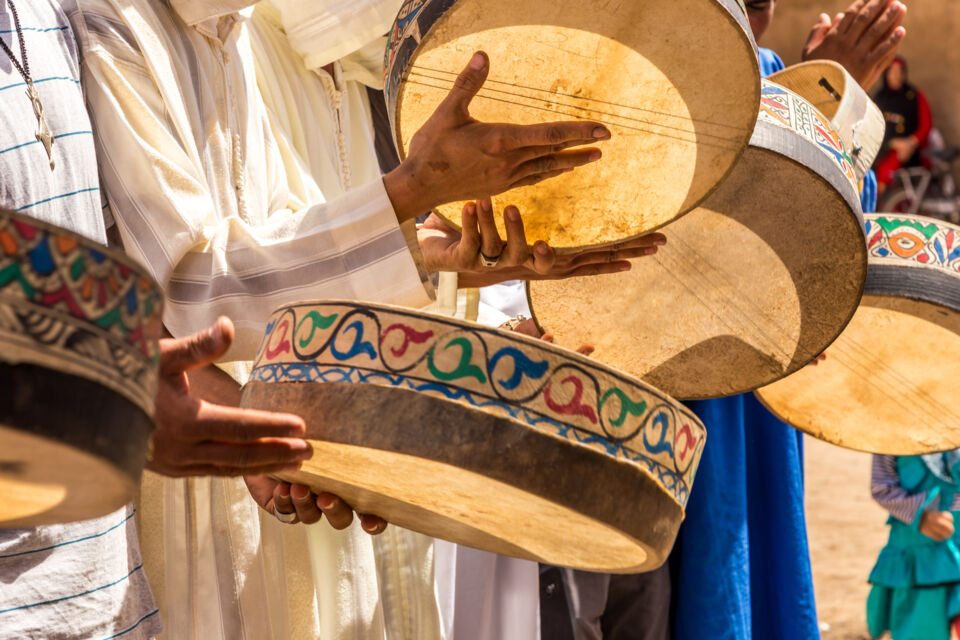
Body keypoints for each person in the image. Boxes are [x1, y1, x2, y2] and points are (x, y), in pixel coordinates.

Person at [64, 1, 664, 637]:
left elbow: (293, 261)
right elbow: (186, 288)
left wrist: (445, 281)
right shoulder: (115, 21)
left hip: (297, 451)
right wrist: (415, 190)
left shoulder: (247, 33)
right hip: (191, 472)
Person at [0, 1, 371, 637]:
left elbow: (71, 271)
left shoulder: (44, 13)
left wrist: (228, 417)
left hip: (103, 592)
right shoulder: (104, 14)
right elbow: (187, 280)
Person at [670, 2, 902, 640]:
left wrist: (827, 94)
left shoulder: (773, 71)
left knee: (747, 553)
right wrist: (816, 93)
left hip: (753, 386)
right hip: (669, 368)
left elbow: (836, 236)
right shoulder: (652, 68)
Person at [867, 453, 960, 640]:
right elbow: (882, 486)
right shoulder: (889, 432)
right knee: (921, 630)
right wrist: (920, 515)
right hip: (918, 558)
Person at [872, 57, 934, 189]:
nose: (896, 76)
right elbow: (872, 129)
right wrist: (893, 143)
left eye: (900, 71)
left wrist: (910, 143)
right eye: (893, 71)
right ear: (886, 73)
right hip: (884, 153)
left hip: (911, 152)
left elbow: (926, 125)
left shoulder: (915, 96)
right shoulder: (879, 99)